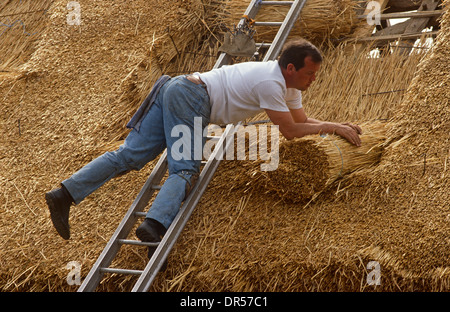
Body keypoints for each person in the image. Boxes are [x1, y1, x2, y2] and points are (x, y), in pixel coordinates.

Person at [46, 38, 361, 253]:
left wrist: (334, 126)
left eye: (315, 74)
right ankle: (154, 225)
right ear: (290, 68)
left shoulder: (290, 87)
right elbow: (291, 131)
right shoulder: (270, 82)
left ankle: (64, 194)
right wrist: (333, 127)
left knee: (131, 155)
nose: (313, 79)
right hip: (191, 96)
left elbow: (303, 120)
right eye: (310, 73)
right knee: (184, 167)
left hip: (178, 88)